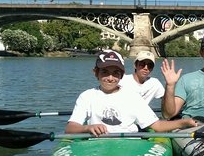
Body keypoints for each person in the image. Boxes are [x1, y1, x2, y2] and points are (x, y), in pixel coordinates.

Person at [66, 49, 195, 136]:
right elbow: (70, 128)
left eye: (116, 73)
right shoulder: (86, 96)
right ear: (95, 73)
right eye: (105, 72)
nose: (110, 78)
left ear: (121, 75)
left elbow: (157, 126)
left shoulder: (133, 97)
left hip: (129, 143)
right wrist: (87, 128)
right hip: (97, 143)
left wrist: (184, 122)